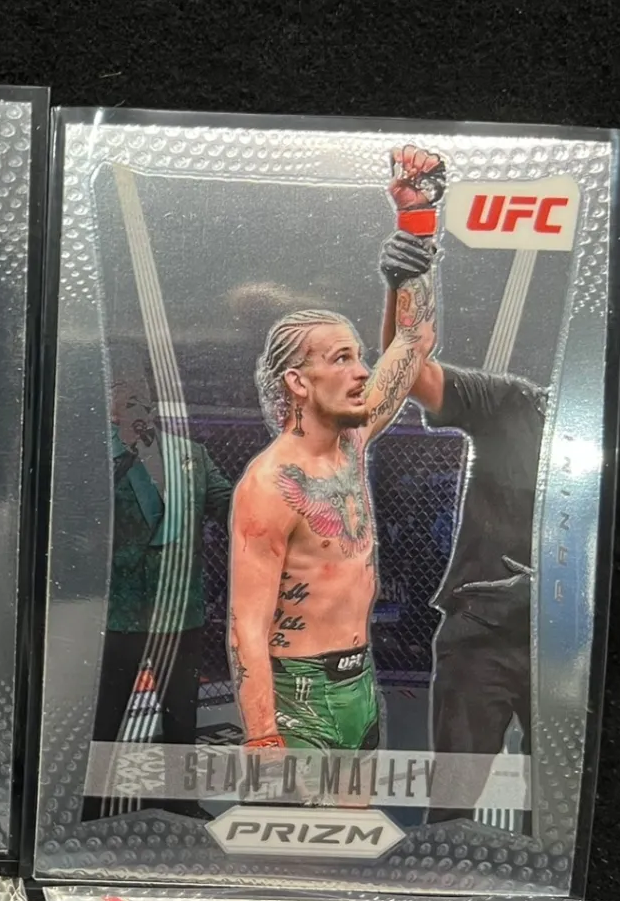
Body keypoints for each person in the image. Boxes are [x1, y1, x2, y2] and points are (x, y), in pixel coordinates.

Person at [227, 147, 443, 752]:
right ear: (298, 381)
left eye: (358, 356)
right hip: (300, 690)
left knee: (354, 810)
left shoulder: (353, 442)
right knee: (301, 815)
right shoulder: (269, 484)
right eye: (342, 358)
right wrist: (262, 733)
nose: (361, 371)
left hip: (358, 675)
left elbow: (413, 342)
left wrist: (416, 227)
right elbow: (247, 624)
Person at [377, 232, 547, 820]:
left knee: (560, 812)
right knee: (453, 805)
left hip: (570, 647)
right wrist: (407, 281)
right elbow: (410, 373)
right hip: (484, 635)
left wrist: (549, 593)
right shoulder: (517, 404)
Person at [92, 362, 235, 791]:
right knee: (108, 713)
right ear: (111, 411)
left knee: (181, 713)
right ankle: (92, 799)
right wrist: (123, 451)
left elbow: (227, 504)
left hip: (180, 607)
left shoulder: (192, 455)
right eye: (124, 400)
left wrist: (269, 502)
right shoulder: (99, 457)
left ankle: (181, 799)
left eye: (141, 399)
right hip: (123, 609)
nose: (136, 406)